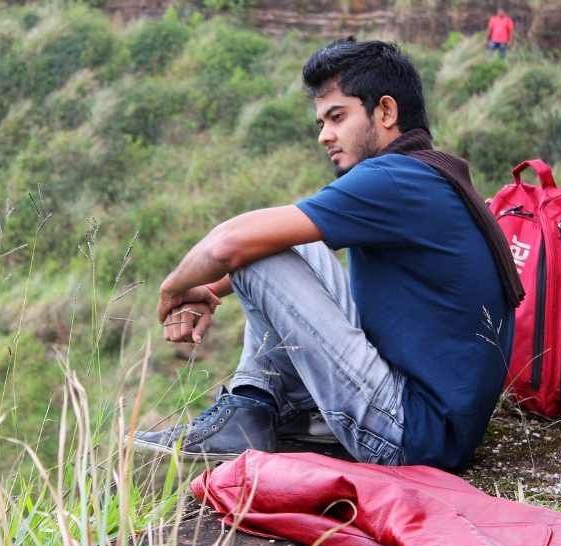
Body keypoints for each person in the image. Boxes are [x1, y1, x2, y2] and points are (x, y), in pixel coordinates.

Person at [130, 37, 524, 472]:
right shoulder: (424, 172)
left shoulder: (391, 180)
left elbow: (228, 244)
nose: (324, 136)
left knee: (251, 252)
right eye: (321, 121)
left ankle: (250, 411)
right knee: (277, 241)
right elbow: (269, 239)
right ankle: (254, 407)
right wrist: (209, 288)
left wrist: (173, 290)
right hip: (436, 423)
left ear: (386, 112)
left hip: (411, 436)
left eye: (337, 117)